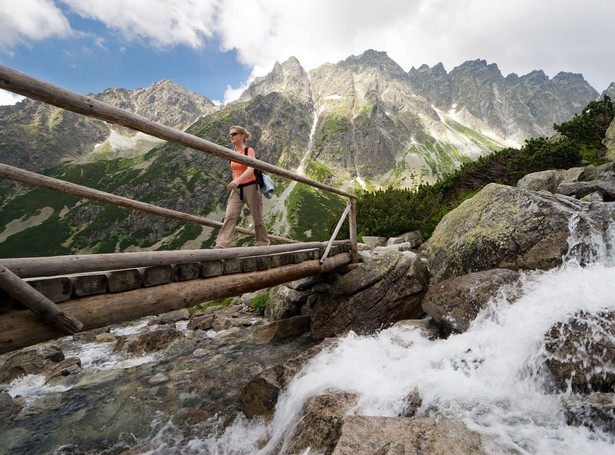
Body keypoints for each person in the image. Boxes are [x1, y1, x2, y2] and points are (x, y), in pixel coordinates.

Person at [215, 126, 270, 248]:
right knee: (230, 215)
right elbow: (235, 170)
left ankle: (262, 244)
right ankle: (221, 245)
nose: (231, 136)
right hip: (237, 189)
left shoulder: (249, 150)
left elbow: (251, 169)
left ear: (242, 136)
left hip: (251, 187)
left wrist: (238, 180)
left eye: (234, 134)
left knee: (257, 217)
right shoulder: (232, 152)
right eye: (230, 135)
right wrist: (235, 181)